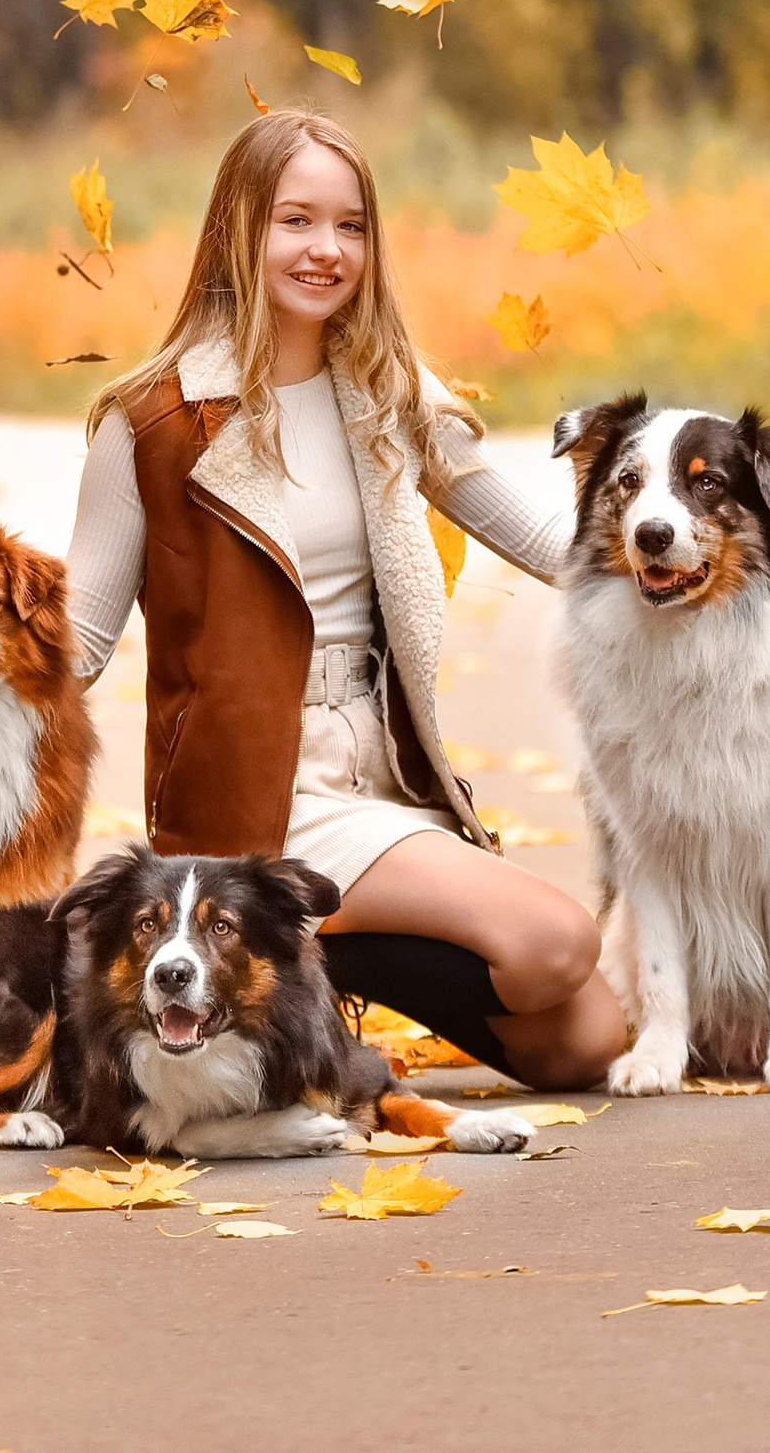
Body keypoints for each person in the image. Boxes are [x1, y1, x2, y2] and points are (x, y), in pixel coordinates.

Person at [62, 108, 626, 1089]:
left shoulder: (386, 389)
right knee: (555, 943)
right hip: (262, 797)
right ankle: (285, 945)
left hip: (382, 772)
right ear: (238, 227)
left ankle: (307, 970)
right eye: (296, 220)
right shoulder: (151, 421)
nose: (327, 250)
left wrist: (680, 568)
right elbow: (73, 640)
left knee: (582, 1038)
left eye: (351, 225)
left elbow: (535, 535)